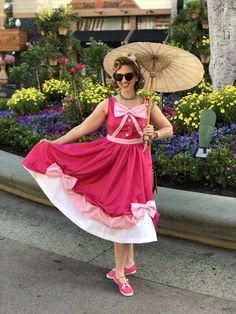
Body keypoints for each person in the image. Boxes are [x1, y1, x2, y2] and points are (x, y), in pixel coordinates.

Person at [22, 56, 173, 297]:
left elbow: (168, 129)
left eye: (128, 76)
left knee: (131, 211)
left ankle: (128, 264)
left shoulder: (148, 103)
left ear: (136, 78)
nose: (123, 81)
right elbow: (83, 128)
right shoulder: (108, 104)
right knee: (120, 212)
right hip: (110, 161)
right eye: (119, 77)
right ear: (115, 79)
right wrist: (54, 143)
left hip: (138, 162)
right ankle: (121, 272)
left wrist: (153, 134)